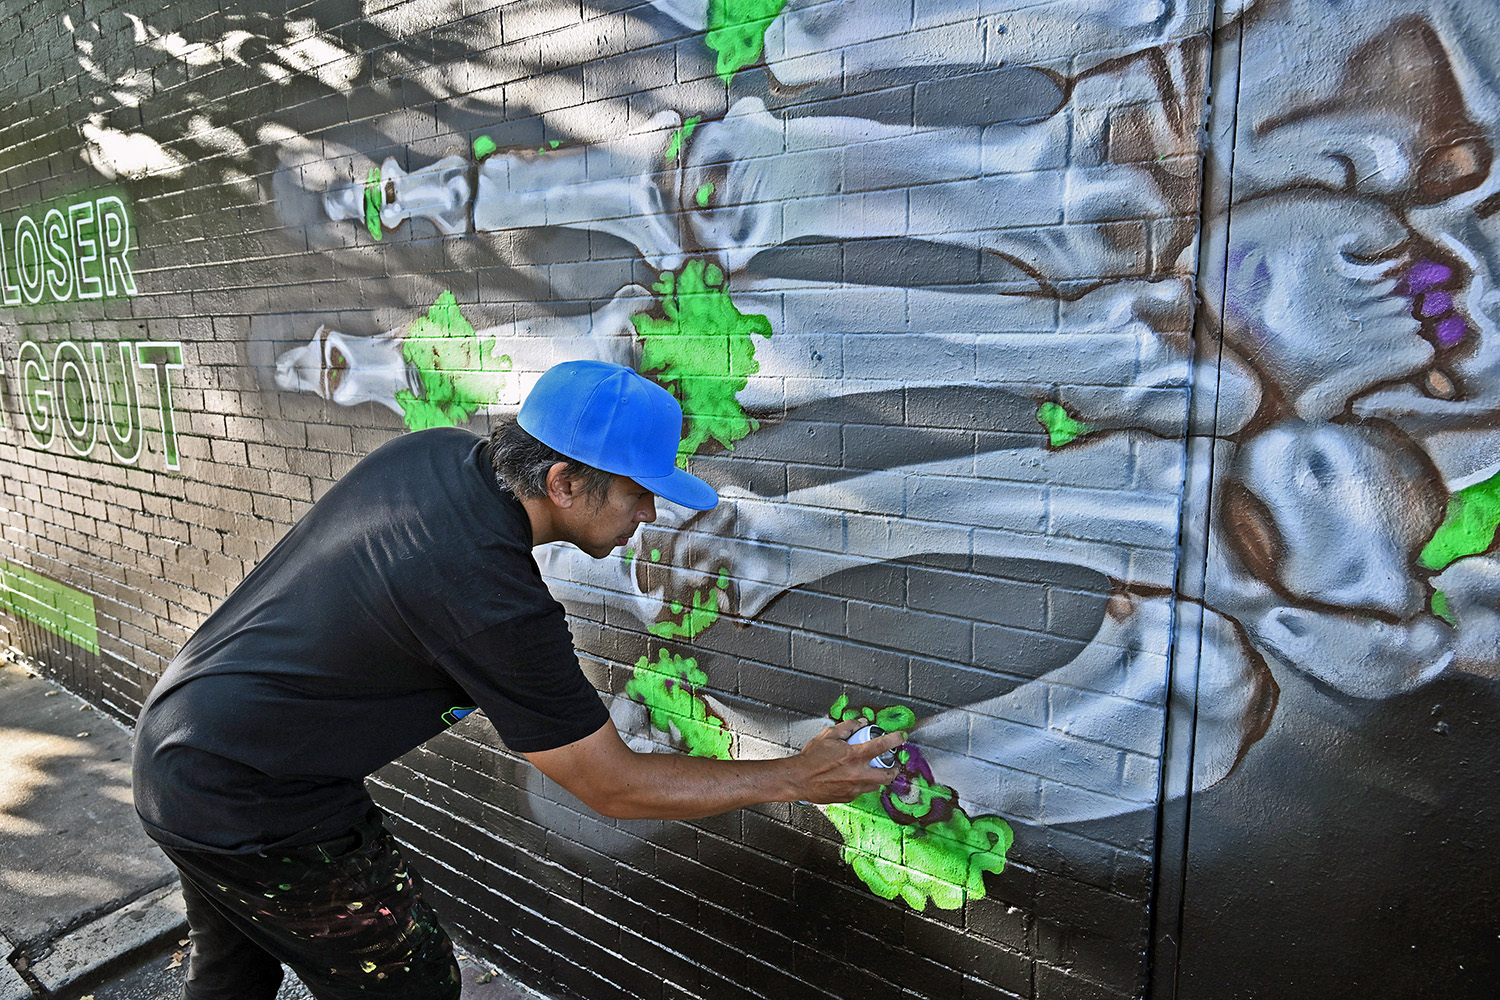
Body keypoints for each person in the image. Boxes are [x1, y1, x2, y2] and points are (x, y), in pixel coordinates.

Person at [132, 360, 906, 1000]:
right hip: (256, 799)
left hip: (183, 744)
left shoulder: (433, 455)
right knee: (408, 983)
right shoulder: (492, 599)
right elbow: (613, 787)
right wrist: (796, 776)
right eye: (638, 493)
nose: (647, 515)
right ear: (565, 481)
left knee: (234, 968)